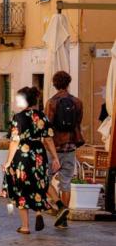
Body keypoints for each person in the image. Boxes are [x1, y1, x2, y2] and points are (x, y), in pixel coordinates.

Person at [2, 87, 64, 234]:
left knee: (22, 186)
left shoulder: (18, 117)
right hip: (39, 153)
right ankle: (54, 207)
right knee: (40, 181)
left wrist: (8, 161)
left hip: (23, 154)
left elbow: (14, 141)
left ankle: (25, 226)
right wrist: (55, 157)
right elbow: (48, 139)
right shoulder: (42, 116)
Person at [45, 71, 84, 229]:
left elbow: (47, 128)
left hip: (53, 148)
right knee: (65, 183)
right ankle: (63, 220)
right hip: (70, 146)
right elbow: (78, 122)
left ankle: (60, 207)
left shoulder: (51, 102)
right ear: (68, 83)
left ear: (54, 84)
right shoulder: (77, 102)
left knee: (44, 180)